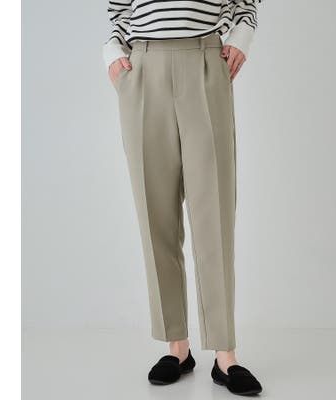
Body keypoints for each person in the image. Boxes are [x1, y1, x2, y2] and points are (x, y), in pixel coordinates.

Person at [102, 0, 263, 395]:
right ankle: (177, 347)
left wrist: (242, 35)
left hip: (205, 57)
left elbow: (246, 4)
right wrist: (112, 52)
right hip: (142, 67)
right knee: (155, 214)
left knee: (215, 213)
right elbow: (119, 10)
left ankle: (226, 355)